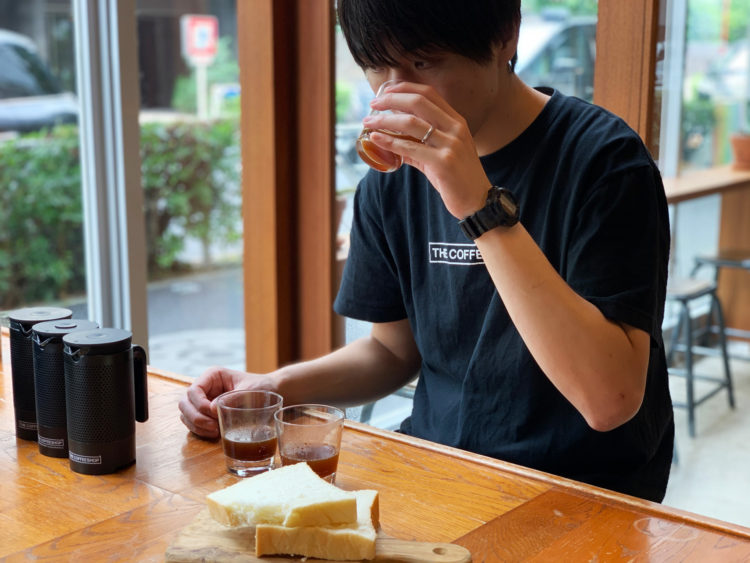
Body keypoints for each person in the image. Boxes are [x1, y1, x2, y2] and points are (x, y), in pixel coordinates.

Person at [179, 0, 674, 502]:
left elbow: (609, 400)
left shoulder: (605, 162)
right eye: (376, 64)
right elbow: (391, 351)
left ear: (506, 35)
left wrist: (477, 205)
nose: (396, 93)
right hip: (443, 472)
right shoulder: (390, 183)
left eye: (424, 62)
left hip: (584, 493)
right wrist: (274, 385)